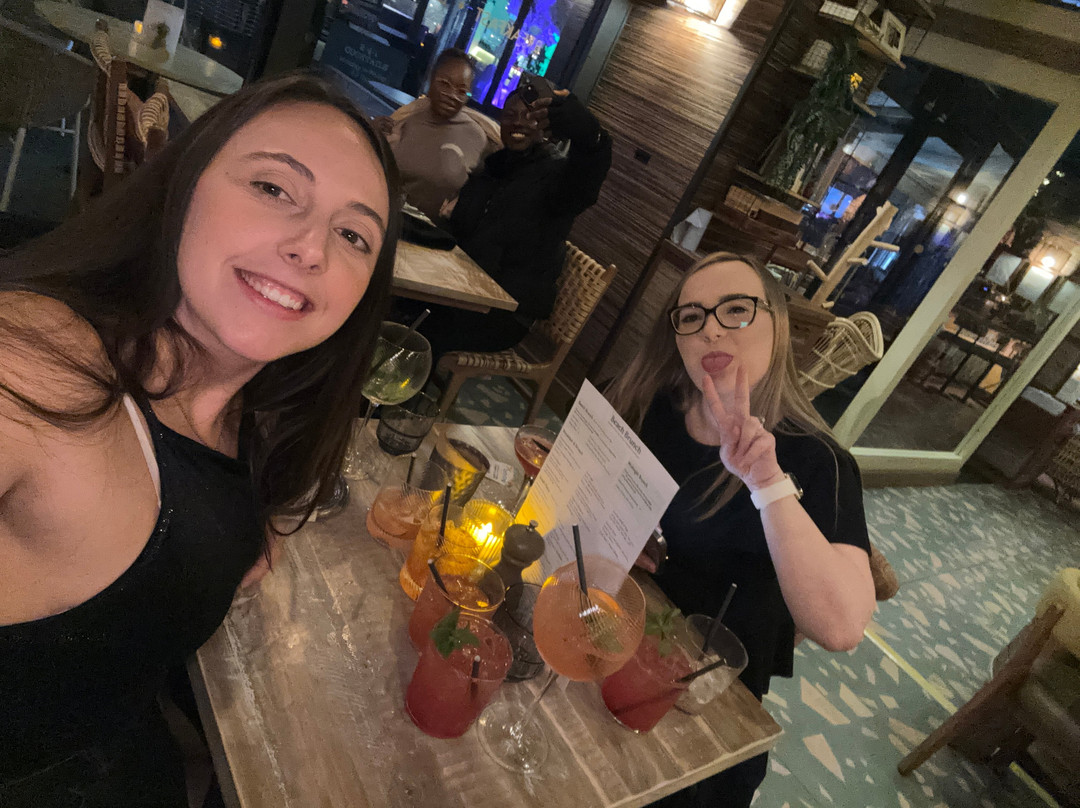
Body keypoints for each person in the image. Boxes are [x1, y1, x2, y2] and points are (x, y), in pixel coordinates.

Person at [0, 74, 401, 807]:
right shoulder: (34, 365)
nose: (311, 248)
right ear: (184, 184)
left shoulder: (254, 418)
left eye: (353, 235)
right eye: (274, 188)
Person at [606, 253, 875, 808]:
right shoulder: (646, 404)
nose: (710, 329)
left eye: (735, 309)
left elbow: (842, 625)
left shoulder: (819, 462)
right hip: (611, 633)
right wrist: (617, 533)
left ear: (778, 324)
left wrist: (766, 481)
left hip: (702, 704)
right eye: (692, 316)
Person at [419, 87, 612, 360]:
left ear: (544, 127)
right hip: (464, 291)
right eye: (510, 115)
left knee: (422, 332)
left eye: (530, 116)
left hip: (505, 313)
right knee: (399, 303)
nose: (518, 122)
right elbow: (463, 230)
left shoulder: (556, 178)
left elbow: (586, 180)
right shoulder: (494, 168)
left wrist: (591, 137)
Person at [376, 48, 501, 220]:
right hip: (384, 217)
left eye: (462, 91)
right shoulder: (405, 120)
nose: (452, 95)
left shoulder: (479, 137)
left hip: (432, 233)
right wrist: (371, 134)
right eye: (444, 84)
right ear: (431, 79)